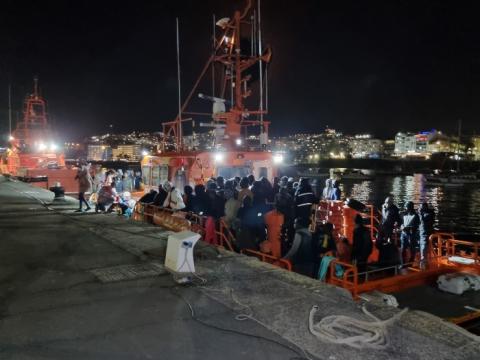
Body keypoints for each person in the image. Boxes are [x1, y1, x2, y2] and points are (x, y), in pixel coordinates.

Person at [400, 201, 420, 266]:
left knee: (412, 249)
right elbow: (402, 223)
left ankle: (410, 263)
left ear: (410, 207)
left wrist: (408, 228)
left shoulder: (416, 215)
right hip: (404, 234)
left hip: (411, 235)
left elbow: (417, 226)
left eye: (407, 207)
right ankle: (403, 263)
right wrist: (402, 226)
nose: (406, 208)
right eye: (406, 207)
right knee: (403, 249)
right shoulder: (404, 214)